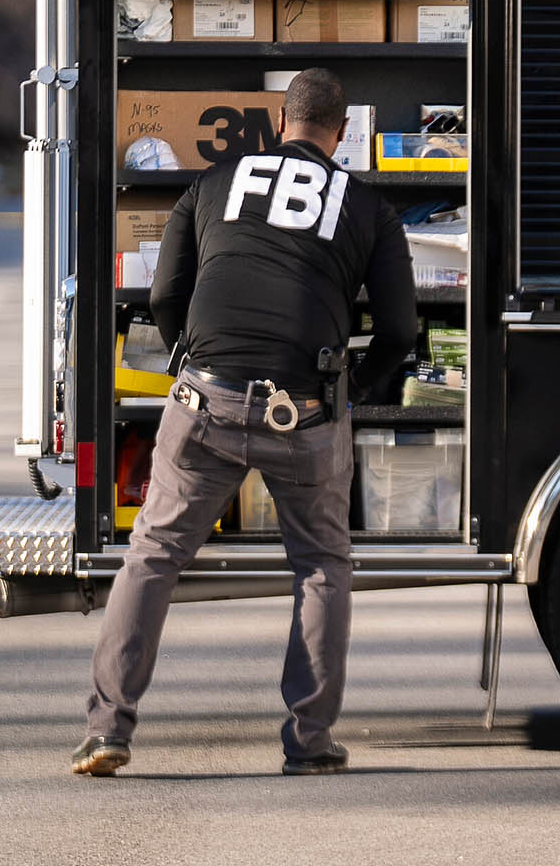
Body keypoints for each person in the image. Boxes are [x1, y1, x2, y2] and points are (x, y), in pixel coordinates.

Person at [72, 68, 417, 777]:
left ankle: (108, 731)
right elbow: (400, 330)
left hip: (205, 399)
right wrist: (352, 386)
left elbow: (166, 291)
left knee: (153, 556)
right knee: (321, 566)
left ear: (278, 122)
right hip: (305, 407)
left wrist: (189, 361)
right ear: (342, 132)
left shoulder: (212, 182)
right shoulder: (369, 208)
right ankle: (309, 742)